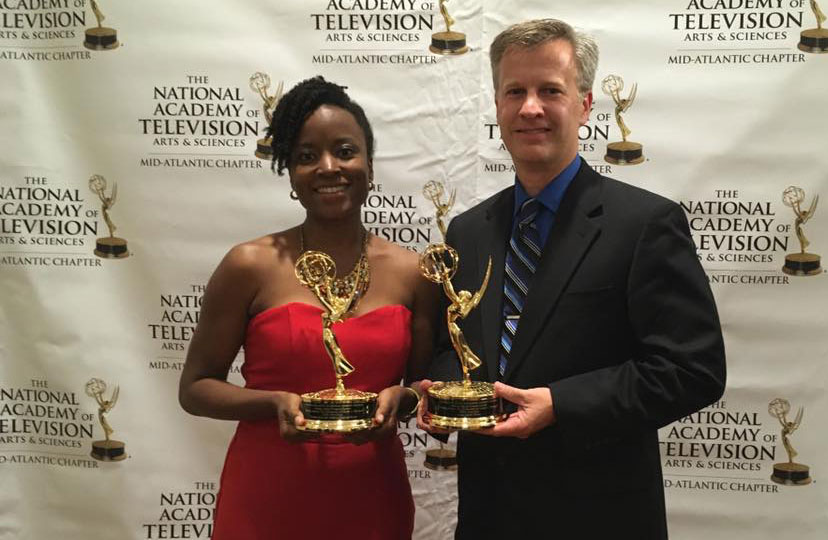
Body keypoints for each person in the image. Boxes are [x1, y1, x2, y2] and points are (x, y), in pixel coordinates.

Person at [417, 19, 726, 539]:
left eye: (550, 91)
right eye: (515, 91)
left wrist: (561, 405)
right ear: (497, 106)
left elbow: (691, 369)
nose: (530, 107)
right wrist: (446, 392)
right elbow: (458, 342)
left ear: (584, 106)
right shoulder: (467, 230)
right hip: (490, 514)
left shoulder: (644, 224)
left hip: (601, 515)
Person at [179, 76, 437, 540]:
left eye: (344, 150)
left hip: (372, 498)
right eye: (305, 156)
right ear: (290, 174)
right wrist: (272, 403)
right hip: (266, 498)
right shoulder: (249, 265)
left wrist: (405, 400)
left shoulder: (412, 272)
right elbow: (195, 388)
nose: (328, 167)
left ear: (370, 165)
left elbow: (422, 385)